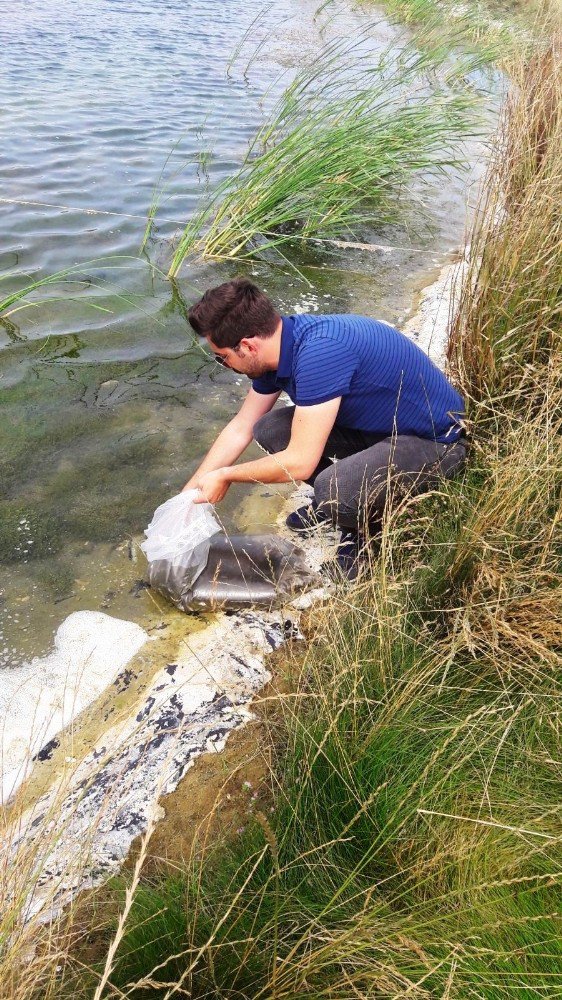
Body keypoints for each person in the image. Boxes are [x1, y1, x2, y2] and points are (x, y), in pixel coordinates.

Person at [183, 277, 466, 577]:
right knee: (269, 429)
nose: (224, 364)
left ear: (247, 346)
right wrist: (188, 498)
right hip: (381, 429)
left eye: (222, 358)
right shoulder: (280, 345)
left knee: (333, 487)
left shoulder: (320, 354)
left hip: (437, 443)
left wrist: (227, 476)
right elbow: (241, 427)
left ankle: (370, 534)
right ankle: (344, 505)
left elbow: (301, 463)